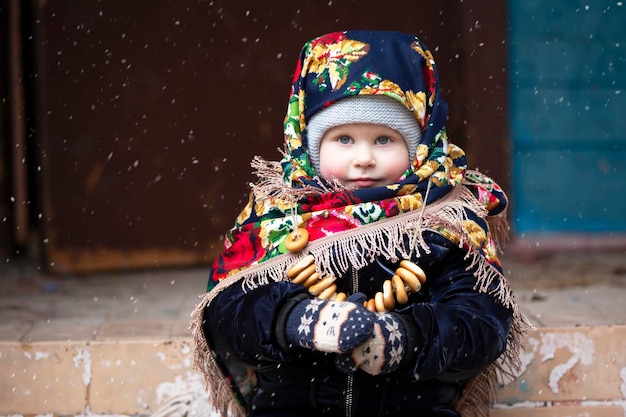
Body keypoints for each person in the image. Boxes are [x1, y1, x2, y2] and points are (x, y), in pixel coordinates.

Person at [191, 30, 529, 417]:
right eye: (344, 139)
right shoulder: (277, 216)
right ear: (310, 145)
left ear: (420, 146)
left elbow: (481, 323)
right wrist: (295, 320)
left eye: (385, 140)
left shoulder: (444, 220)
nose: (364, 158)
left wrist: (405, 336)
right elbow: (228, 318)